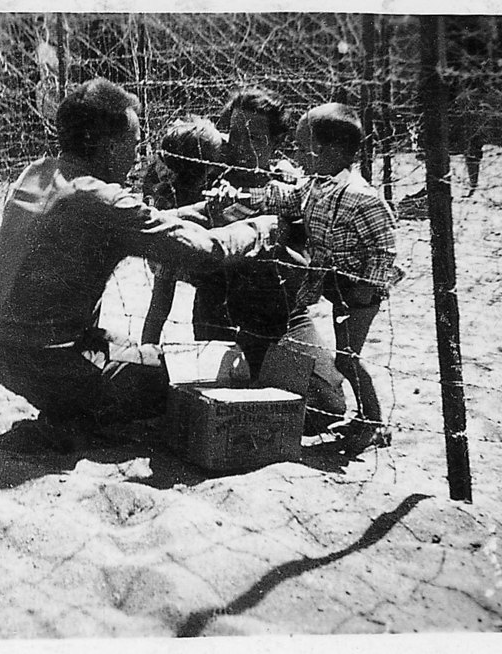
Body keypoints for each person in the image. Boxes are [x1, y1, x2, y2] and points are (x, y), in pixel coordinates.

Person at [0, 78, 279, 448]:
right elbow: (206, 254)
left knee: (125, 346)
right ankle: (78, 410)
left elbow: (137, 223)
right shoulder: (102, 201)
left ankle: (71, 407)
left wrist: (201, 210)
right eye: (133, 145)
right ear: (106, 146)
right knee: (191, 372)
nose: (137, 156)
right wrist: (260, 226)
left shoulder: (38, 173)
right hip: (48, 364)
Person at [196, 87, 349, 434]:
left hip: (282, 317)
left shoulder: (293, 186)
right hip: (220, 317)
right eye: (235, 135)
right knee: (220, 409)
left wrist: (274, 243)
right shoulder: (209, 180)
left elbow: (308, 273)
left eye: (255, 138)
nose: (241, 146)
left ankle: (265, 374)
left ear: (275, 143)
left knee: (327, 407)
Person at [249, 103, 398, 454]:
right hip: (337, 286)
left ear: (329, 151)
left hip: (360, 290)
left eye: (302, 147)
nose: (296, 154)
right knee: (344, 354)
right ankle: (366, 418)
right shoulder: (316, 186)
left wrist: (367, 286)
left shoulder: (362, 197)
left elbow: (385, 248)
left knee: (347, 357)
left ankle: (374, 423)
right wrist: (247, 197)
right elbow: (286, 198)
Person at [140, 116, 226, 344]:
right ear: (205, 164)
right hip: (178, 251)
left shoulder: (172, 178)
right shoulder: (187, 192)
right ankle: (151, 347)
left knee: (160, 303)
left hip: (170, 252)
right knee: (167, 300)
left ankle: (147, 347)